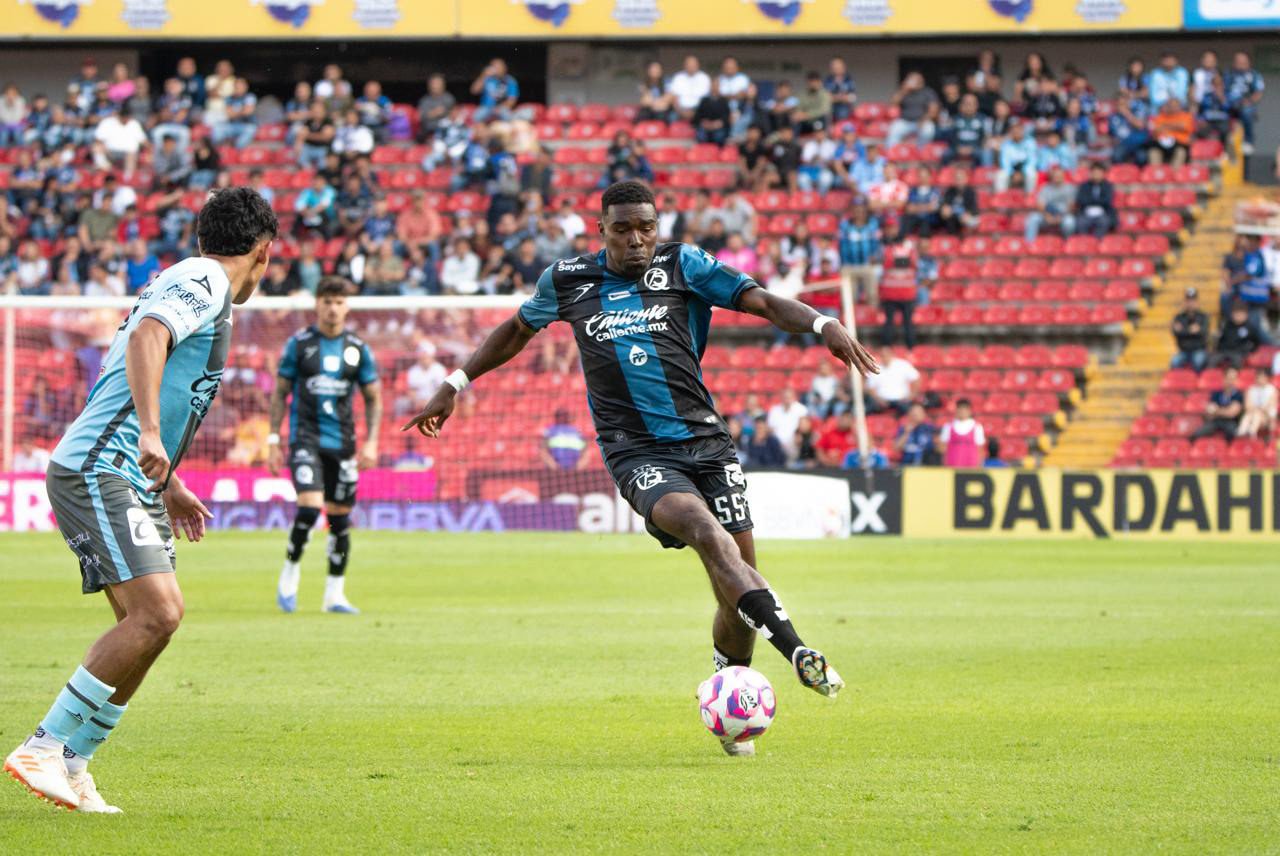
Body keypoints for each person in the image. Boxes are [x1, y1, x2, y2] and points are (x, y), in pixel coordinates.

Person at [403, 181, 879, 755]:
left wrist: (823, 324)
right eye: (623, 228)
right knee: (705, 532)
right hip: (636, 452)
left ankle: (730, 696)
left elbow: (761, 301)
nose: (636, 240)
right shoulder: (567, 280)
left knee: (736, 586)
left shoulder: (685, 265)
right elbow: (516, 331)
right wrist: (455, 383)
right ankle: (798, 650)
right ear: (601, 229)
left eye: (646, 228)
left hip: (708, 444)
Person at [4, 188, 276, 813]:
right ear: (263, 252)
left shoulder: (197, 285)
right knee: (158, 614)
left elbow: (140, 378)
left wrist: (169, 479)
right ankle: (42, 746)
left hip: (135, 474)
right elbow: (147, 339)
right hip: (101, 468)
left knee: (153, 626)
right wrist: (151, 435)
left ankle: (75, 763)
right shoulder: (205, 279)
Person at [268, 277, 381, 615]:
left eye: (339, 302)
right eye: (327, 301)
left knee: (340, 520)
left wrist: (372, 442)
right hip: (306, 438)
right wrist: (273, 439)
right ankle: (290, 570)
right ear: (317, 304)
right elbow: (280, 392)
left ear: (347, 307)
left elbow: (373, 397)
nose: (333, 308)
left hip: (343, 443)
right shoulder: (300, 344)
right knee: (309, 508)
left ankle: (334, 594)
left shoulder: (358, 349)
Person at [837, 199, 882, 305]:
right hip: (849, 266)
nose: (859, 212)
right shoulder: (844, 225)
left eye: (861, 209)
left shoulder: (872, 225)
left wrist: (875, 256)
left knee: (872, 295)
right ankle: (849, 315)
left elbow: (877, 244)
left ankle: (873, 313)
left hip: (867, 265)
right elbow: (840, 244)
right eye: (856, 209)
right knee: (849, 297)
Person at [1225, 51, 1265, 154]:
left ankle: (1248, 141)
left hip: (1245, 105)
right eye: (1238, 61)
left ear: (1248, 62)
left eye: (1243, 61)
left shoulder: (1254, 75)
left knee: (1247, 112)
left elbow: (1259, 92)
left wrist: (1249, 101)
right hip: (1229, 105)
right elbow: (1221, 89)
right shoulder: (1228, 74)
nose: (1240, 63)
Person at [1024, 166, 1077, 242]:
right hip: (1047, 214)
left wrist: (1060, 217)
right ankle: (1029, 243)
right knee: (1033, 218)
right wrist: (1047, 216)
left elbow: (1071, 206)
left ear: (1063, 176)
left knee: (1069, 222)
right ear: (1052, 177)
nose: (1057, 177)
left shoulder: (1070, 188)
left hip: (1063, 215)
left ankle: (1068, 243)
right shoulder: (1045, 187)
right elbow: (1041, 204)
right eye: (1055, 176)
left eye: (1059, 175)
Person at [886, 72, 939, 146]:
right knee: (894, 129)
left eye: (915, 80)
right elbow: (893, 103)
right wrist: (903, 90)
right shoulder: (904, 92)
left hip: (922, 121)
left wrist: (924, 119)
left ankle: (921, 150)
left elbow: (934, 110)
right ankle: (891, 151)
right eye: (910, 79)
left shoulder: (928, 92)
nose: (912, 82)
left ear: (921, 82)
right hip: (905, 121)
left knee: (928, 130)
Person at [1212, 300, 1268, 369]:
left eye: (1240, 314)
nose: (1238, 316)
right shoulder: (1226, 325)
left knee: (1237, 362)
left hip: (1239, 352)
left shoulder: (1250, 327)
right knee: (1212, 360)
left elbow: (1256, 342)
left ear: (1246, 315)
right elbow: (1221, 339)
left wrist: (1250, 351)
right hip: (1224, 351)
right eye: (1236, 314)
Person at [1192, 367, 1244, 441]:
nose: (1231, 382)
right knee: (1197, 434)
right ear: (1224, 379)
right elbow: (1209, 412)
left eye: (1233, 379)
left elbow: (1231, 413)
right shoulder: (1216, 393)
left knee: (1234, 436)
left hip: (1231, 422)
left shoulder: (1238, 395)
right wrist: (1220, 411)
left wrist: (1216, 410)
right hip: (1216, 421)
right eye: (1229, 378)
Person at [865, 345, 919, 415]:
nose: (885, 357)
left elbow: (916, 379)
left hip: (902, 401)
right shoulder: (876, 368)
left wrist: (910, 396)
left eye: (886, 355)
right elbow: (871, 388)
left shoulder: (903, 365)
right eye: (882, 355)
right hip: (882, 401)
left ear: (892, 354)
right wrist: (878, 399)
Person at [1170, 287, 1209, 372]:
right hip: (1183, 351)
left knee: (1198, 361)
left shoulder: (1203, 316)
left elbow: (1204, 332)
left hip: (1199, 350)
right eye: (1188, 301)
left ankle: (1198, 380)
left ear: (1197, 302)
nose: (1191, 303)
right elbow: (1175, 332)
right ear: (1185, 302)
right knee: (1174, 361)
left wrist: (1183, 330)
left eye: (1193, 301)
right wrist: (1192, 331)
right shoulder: (1179, 317)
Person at [938, 398, 985, 467]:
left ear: (970, 411)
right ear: (956, 410)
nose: (962, 411)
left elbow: (980, 449)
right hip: (952, 465)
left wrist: (980, 465)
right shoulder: (948, 426)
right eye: (960, 408)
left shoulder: (977, 427)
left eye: (965, 409)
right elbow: (943, 449)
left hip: (971, 466)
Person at [1147, 98, 1194, 167]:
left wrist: (1165, 125)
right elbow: (1155, 130)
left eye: (1175, 106)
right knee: (1153, 152)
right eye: (1170, 106)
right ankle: (1156, 173)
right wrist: (1176, 126)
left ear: (1179, 106)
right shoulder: (1160, 117)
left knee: (1181, 152)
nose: (1173, 108)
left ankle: (1174, 173)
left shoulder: (1186, 116)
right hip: (1160, 145)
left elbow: (1184, 126)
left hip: (1179, 145)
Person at [1074, 161, 1115, 237]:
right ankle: (1085, 241)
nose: (1096, 174)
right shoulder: (1084, 186)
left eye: (1098, 172)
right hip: (1087, 212)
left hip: (1102, 212)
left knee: (1104, 222)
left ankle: (1097, 241)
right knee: (1080, 222)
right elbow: (1081, 200)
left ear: (1103, 173)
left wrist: (1091, 200)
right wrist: (1097, 200)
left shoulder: (1107, 186)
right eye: (1094, 172)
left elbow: (1107, 200)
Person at [1237, 367, 1277, 439]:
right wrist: (1257, 409)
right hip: (1251, 414)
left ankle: (1251, 433)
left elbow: (1267, 408)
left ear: (1267, 378)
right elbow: (1247, 407)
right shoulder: (1251, 389)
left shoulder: (1272, 390)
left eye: (1262, 377)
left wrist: (1256, 409)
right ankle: (1241, 433)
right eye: (1258, 377)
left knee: (1256, 415)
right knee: (1248, 416)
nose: (1259, 379)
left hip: (1266, 417)